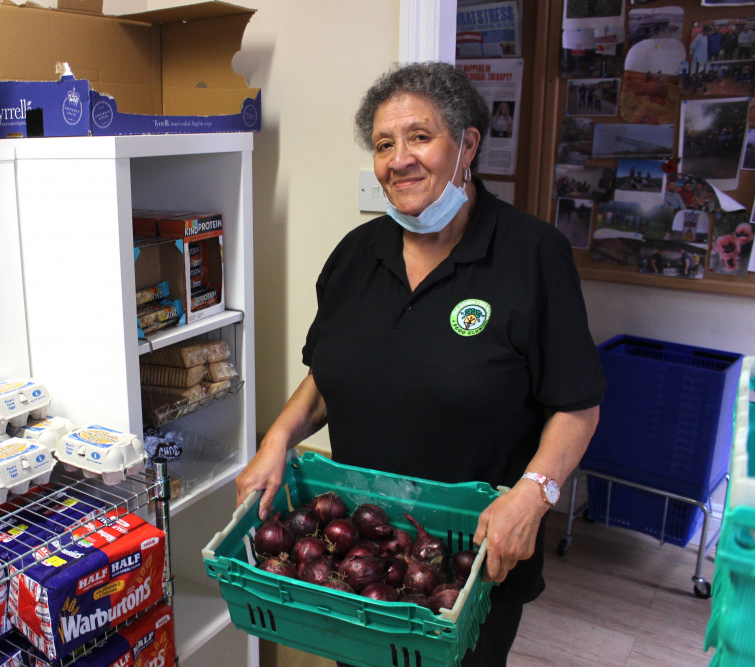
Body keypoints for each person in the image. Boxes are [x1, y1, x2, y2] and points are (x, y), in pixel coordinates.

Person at [234, 62, 605, 667]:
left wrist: (534, 496)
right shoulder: (356, 256)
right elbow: (328, 375)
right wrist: (277, 439)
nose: (398, 159)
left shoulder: (534, 255)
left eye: (420, 137)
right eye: (384, 144)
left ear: (467, 146)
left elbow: (577, 403)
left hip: (471, 554)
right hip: (364, 542)